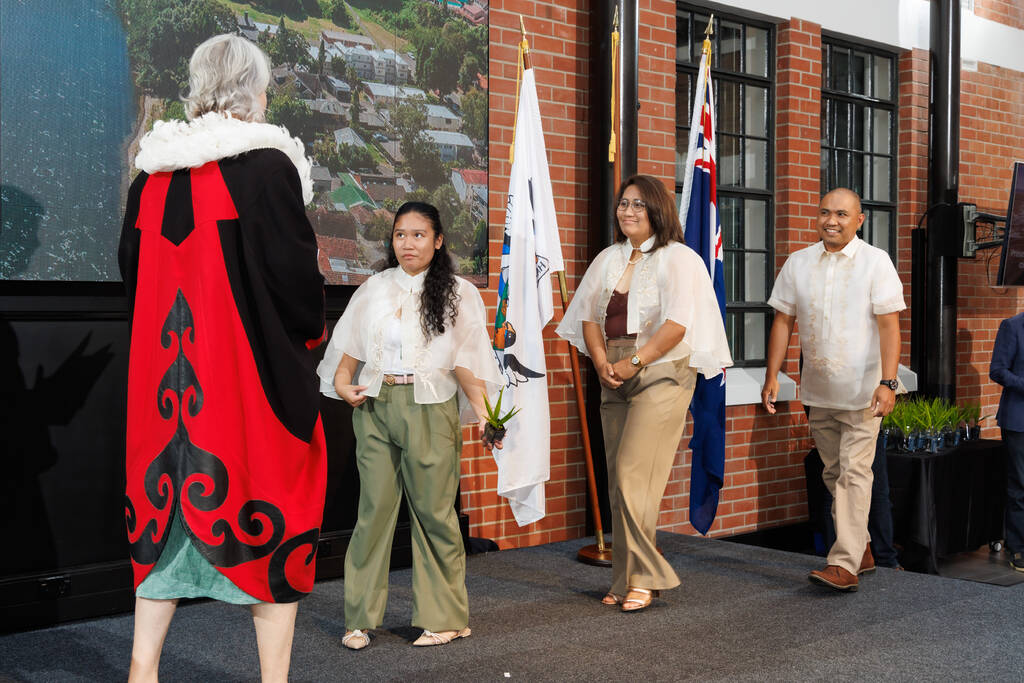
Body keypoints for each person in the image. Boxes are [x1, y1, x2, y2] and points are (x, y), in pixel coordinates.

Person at [119, 34, 326, 682]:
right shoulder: (267, 168)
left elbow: (130, 274)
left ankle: (142, 670)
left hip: (162, 389)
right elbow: (297, 283)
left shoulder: (149, 177)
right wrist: (307, 346)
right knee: (275, 512)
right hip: (246, 386)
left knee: (160, 526)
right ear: (251, 92)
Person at [317, 202, 503, 649]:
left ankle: (447, 617)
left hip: (429, 408)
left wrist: (484, 413)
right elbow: (350, 346)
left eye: (419, 235)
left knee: (434, 515)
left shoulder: (458, 292)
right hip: (376, 407)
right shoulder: (375, 288)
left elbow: (465, 362)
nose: (408, 243)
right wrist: (343, 384)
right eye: (400, 235)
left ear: (438, 241)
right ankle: (359, 618)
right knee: (373, 512)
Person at [555, 175, 732, 612]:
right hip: (612, 370)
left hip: (661, 371)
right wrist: (600, 362)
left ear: (657, 210)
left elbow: (677, 324)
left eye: (638, 204)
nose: (628, 211)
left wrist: (635, 362)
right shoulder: (610, 258)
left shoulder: (680, 259)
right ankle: (625, 579)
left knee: (636, 476)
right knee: (620, 481)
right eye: (623, 204)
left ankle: (648, 576)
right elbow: (588, 317)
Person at [761, 187, 904, 592]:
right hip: (818, 392)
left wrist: (888, 383)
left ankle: (844, 563)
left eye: (842, 214)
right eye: (825, 212)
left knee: (855, 473)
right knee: (834, 472)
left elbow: (890, 326)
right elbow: (783, 322)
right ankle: (863, 548)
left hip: (863, 393)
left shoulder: (876, 263)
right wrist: (773, 374)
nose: (831, 221)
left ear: (859, 220)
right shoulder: (798, 263)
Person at [988, 312, 1024, 572]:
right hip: (1019, 421)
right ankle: (1018, 548)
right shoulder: (1012, 326)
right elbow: (998, 370)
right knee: (1020, 487)